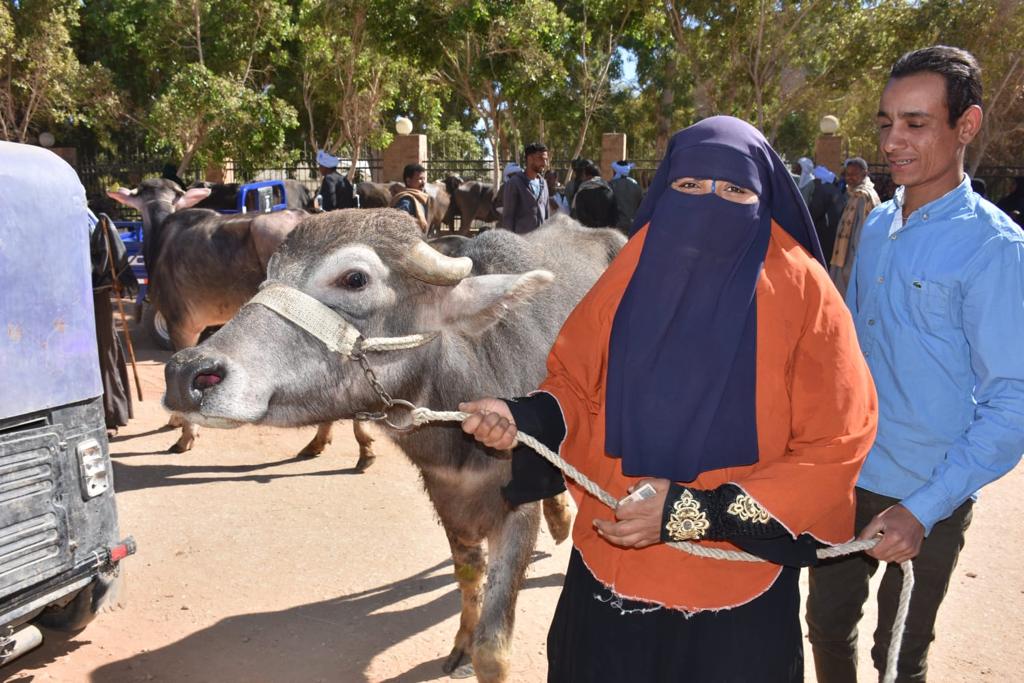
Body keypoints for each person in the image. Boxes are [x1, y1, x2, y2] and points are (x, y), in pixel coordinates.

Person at [461, 116, 877, 682]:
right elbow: (578, 387)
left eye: (735, 191)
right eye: (689, 187)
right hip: (612, 561)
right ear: (666, 190)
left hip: (735, 584)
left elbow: (837, 442)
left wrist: (692, 512)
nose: (710, 204)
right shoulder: (630, 268)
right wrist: (524, 417)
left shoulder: (804, 288)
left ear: (765, 196)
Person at [807, 46, 1024, 683]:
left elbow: (1013, 401)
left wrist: (923, 508)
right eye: (886, 123)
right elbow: (846, 351)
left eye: (916, 123)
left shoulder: (995, 248)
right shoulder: (876, 224)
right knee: (826, 629)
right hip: (849, 480)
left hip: (930, 491)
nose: (893, 141)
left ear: (968, 125)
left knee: (899, 657)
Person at [89, 211, 138, 436]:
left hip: (94, 295)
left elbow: (103, 260)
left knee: (103, 350)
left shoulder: (88, 219)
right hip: (73, 296)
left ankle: (112, 415)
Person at [829, 157, 880, 297]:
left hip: (850, 257)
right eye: (847, 174)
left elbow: (860, 232)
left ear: (864, 174)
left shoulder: (862, 196)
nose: (849, 178)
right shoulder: (856, 193)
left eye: (854, 174)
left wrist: (855, 260)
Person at [502, 143, 550, 234]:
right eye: (541, 159)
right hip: (521, 243)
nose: (545, 163)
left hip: (541, 243)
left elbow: (547, 215)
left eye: (546, 159)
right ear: (530, 158)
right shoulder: (514, 183)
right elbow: (508, 218)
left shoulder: (543, 183)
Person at [808, 165, 842, 259]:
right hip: (833, 228)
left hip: (823, 230)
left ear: (820, 179)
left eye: (815, 178)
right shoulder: (835, 189)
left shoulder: (822, 190)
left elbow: (815, 211)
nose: (814, 181)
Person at [570, 162, 617, 228]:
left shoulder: (581, 193)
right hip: (606, 232)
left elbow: (579, 216)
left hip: (589, 234)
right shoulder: (609, 190)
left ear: (589, 176)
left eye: (584, 175)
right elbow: (614, 214)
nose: (583, 178)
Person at [390, 163, 431, 233]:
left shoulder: (420, 198)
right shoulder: (406, 201)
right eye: (420, 179)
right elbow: (399, 227)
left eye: (424, 179)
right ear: (408, 181)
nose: (423, 183)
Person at [609, 160, 644, 232]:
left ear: (615, 171)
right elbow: (641, 206)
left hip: (615, 227)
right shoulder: (636, 186)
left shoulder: (610, 185)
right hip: (632, 225)